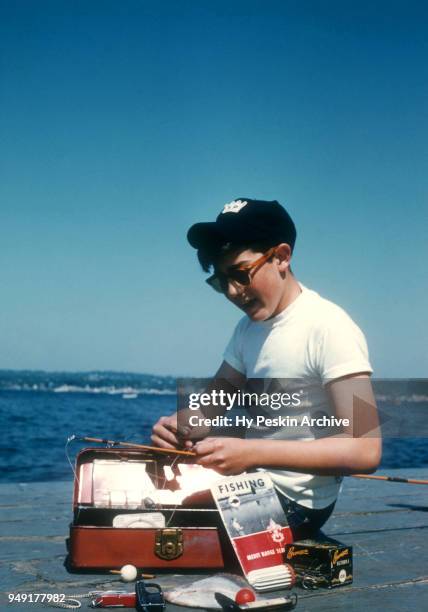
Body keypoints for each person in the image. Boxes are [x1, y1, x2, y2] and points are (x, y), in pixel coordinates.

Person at [152, 198, 381, 537]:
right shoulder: (247, 330)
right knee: (140, 498)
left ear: (281, 257)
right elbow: (212, 406)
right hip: (250, 479)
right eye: (220, 281)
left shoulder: (330, 327)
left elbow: (366, 449)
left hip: (297, 504)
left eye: (241, 274)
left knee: (157, 524)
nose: (232, 291)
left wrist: (251, 452)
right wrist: (179, 426)